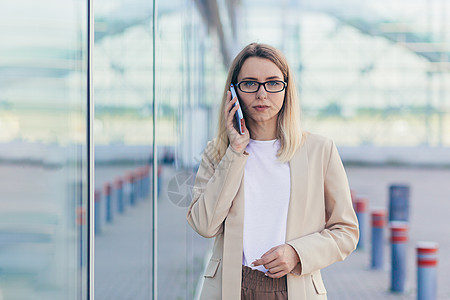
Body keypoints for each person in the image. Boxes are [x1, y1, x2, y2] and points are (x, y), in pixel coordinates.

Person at [186, 43, 359, 300]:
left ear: (286, 89)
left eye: (273, 83)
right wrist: (235, 151)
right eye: (250, 84)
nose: (262, 94)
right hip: (230, 287)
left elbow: (346, 231)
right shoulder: (218, 153)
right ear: (233, 92)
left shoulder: (319, 150)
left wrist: (297, 253)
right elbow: (204, 225)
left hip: (294, 287)